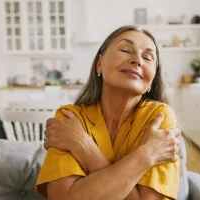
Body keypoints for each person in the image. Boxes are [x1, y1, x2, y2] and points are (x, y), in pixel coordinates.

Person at [35, 25, 182, 200]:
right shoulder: (69, 118)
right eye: (126, 50)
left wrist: (83, 146)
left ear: (152, 80)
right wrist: (147, 155)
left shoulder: (159, 118)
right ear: (99, 64)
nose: (137, 60)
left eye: (148, 57)